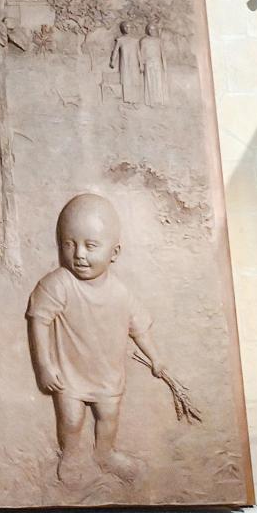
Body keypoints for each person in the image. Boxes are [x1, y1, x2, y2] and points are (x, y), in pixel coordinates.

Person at [26, 193, 167, 488]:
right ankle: (71, 455)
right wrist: (44, 365)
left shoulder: (121, 293)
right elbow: (39, 320)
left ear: (114, 252)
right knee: (72, 420)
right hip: (69, 377)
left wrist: (155, 357)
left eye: (91, 246)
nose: (79, 254)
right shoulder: (57, 284)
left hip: (107, 376)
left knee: (109, 417)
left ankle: (105, 454)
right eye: (69, 244)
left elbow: (139, 329)